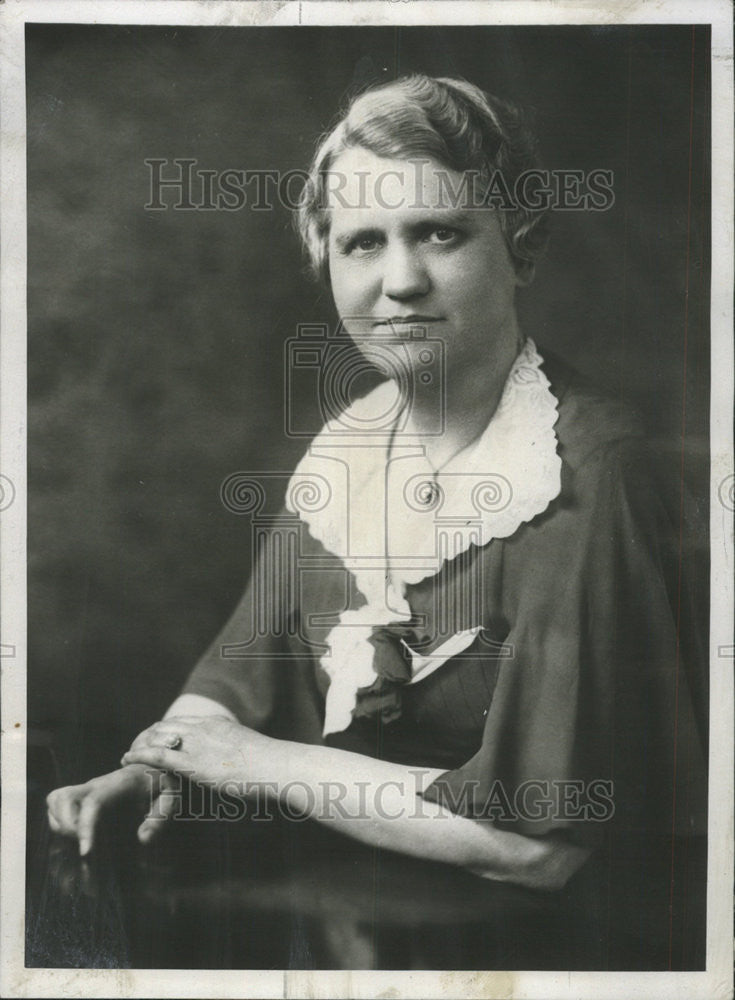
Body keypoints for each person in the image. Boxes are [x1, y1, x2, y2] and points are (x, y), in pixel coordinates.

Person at [46, 75, 706, 904]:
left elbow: (540, 849)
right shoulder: (346, 455)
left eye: (439, 232)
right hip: (354, 918)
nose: (400, 281)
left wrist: (263, 767)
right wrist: (154, 773)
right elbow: (239, 684)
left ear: (521, 248)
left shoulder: (596, 472)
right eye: (362, 242)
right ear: (327, 261)